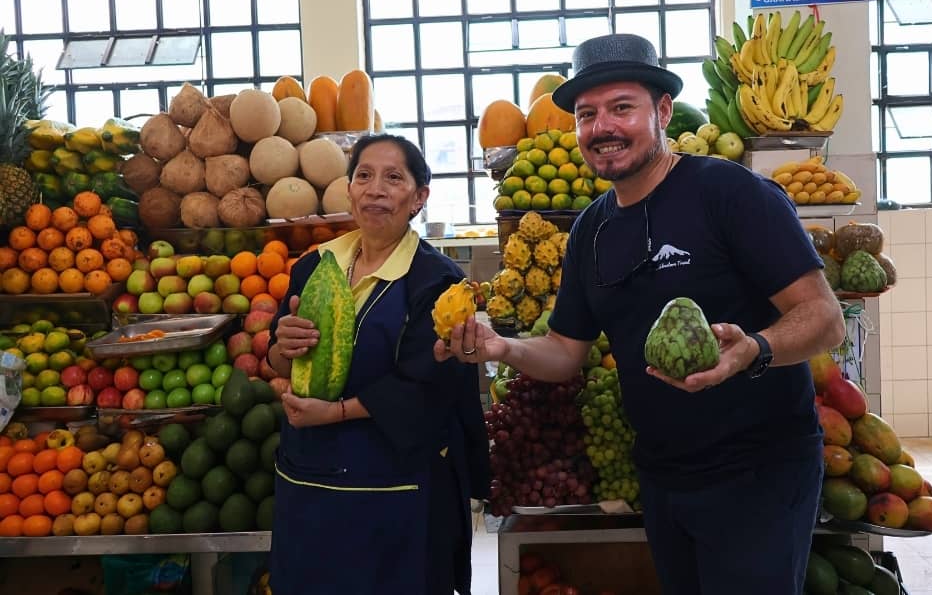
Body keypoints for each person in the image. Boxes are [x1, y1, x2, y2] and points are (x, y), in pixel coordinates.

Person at [436, 34, 846, 594]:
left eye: (622, 107)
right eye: (587, 114)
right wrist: (501, 348)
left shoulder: (729, 193)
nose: (603, 127)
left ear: (662, 112)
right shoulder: (591, 230)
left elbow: (823, 317)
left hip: (758, 473)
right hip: (661, 473)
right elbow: (564, 352)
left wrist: (755, 349)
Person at [266, 133, 490, 595]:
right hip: (308, 482)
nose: (375, 189)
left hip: (394, 491)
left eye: (393, 178)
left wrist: (335, 412)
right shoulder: (314, 266)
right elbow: (277, 357)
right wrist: (281, 349)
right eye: (363, 176)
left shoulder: (437, 281)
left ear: (419, 197)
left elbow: (427, 385)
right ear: (349, 190)